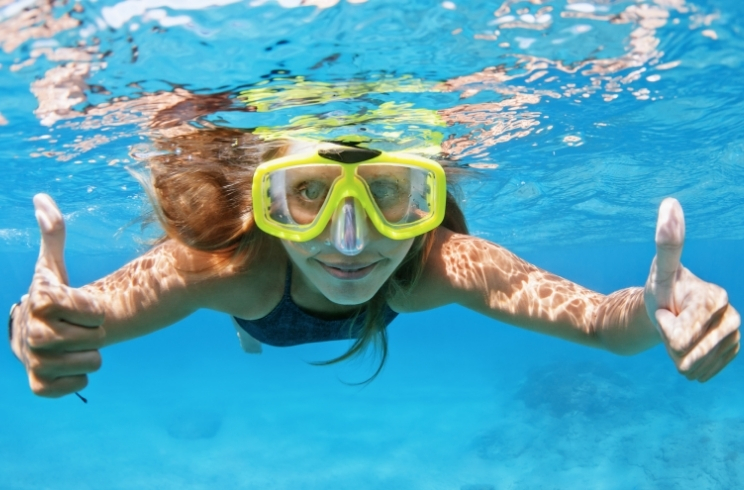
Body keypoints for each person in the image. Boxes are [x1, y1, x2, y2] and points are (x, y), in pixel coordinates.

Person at [8, 133, 740, 398]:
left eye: (390, 194)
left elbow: (599, 325)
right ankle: (251, 332)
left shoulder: (441, 265)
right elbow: (78, 318)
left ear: (429, 198)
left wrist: (655, 310)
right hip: (258, 305)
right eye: (307, 198)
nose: (351, 241)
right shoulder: (223, 268)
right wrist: (42, 328)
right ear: (262, 202)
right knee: (251, 322)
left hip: (278, 299)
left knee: (257, 316)